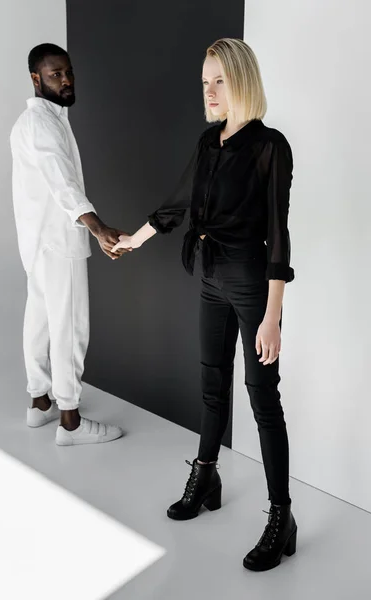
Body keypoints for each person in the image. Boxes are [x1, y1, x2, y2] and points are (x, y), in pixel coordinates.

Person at [112, 38, 297, 571]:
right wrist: (132, 240)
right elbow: (178, 204)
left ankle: (281, 515)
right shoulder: (208, 141)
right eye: (204, 83)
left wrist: (272, 316)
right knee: (211, 385)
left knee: (263, 399)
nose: (210, 93)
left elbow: (279, 235)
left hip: (251, 282)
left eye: (219, 81)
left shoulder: (270, 146)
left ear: (241, 81)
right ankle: (206, 474)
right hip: (211, 277)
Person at [10, 43, 129, 446]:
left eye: (68, 72)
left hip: (38, 242)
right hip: (59, 240)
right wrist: (96, 228)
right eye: (55, 74)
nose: (65, 80)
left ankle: (39, 402)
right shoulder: (42, 124)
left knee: (41, 320)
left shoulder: (35, 121)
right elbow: (62, 183)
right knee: (70, 327)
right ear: (35, 78)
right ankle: (71, 421)